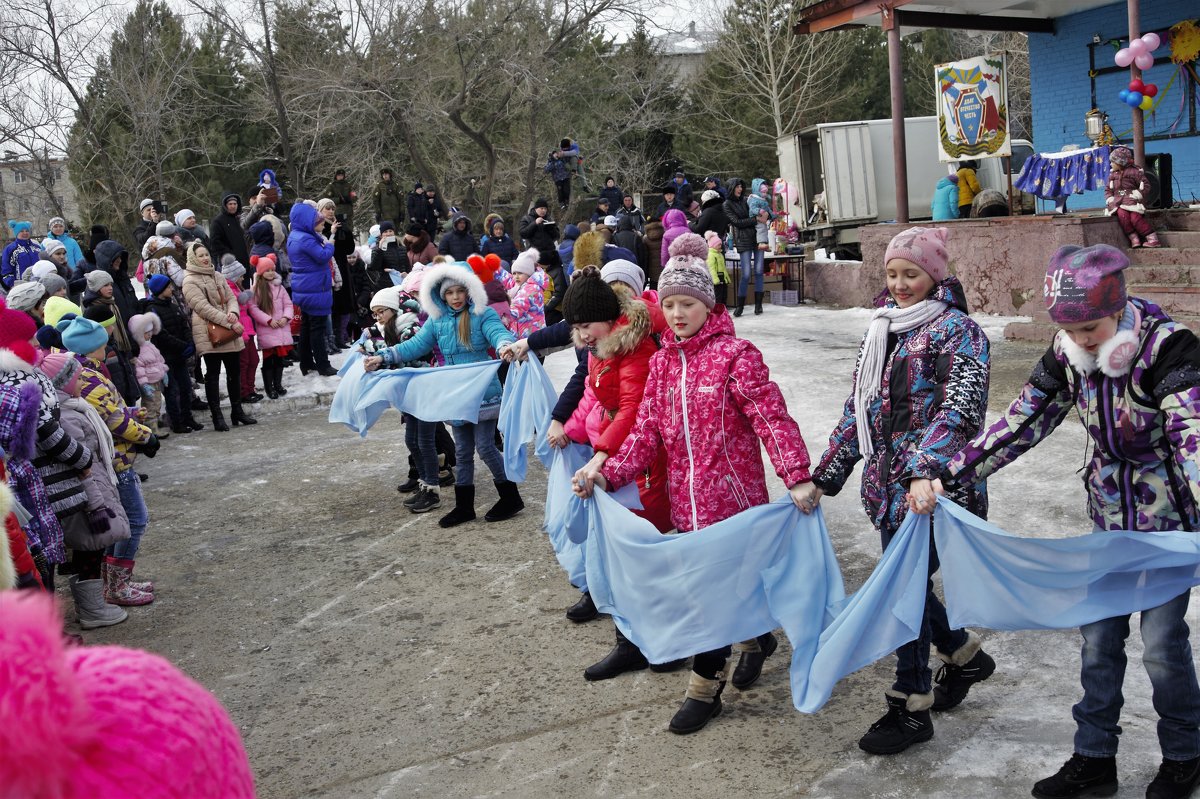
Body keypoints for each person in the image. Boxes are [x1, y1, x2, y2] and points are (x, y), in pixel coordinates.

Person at [946, 243, 1200, 799]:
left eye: (1093, 326)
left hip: (1168, 532)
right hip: (1109, 523)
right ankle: (1094, 757)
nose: (1084, 340)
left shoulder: (1169, 348)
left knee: (1160, 646)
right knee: (1099, 640)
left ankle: (1184, 754)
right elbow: (1022, 420)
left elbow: (1193, 436)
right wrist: (952, 473)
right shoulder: (1068, 355)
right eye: (1071, 328)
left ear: (1120, 308)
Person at [572, 234, 814, 735]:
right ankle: (754, 638)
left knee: (716, 592)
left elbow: (772, 418)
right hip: (688, 505)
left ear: (708, 304)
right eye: (671, 304)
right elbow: (648, 433)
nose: (678, 314)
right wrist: (609, 472)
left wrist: (796, 476)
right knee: (716, 591)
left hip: (734, 503)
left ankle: (705, 689)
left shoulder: (735, 355)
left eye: (689, 303)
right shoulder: (662, 362)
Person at [804, 226, 994, 755]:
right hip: (887, 489)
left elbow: (960, 411)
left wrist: (923, 470)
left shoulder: (961, 333)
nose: (901, 284)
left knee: (902, 593)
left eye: (911, 273)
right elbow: (859, 410)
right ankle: (963, 655)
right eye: (892, 274)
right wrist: (827, 475)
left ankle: (910, 705)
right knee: (902, 586)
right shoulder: (882, 330)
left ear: (935, 274)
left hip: (933, 490)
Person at [554, 265, 682, 680]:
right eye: (576, 326)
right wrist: (570, 430)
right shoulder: (599, 348)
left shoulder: (636, 349)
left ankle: (664, 642)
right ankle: (633, 640)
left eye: (587, 324)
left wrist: (601, 456)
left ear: (610, 319)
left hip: (645, 463)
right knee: (621, 553)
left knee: (646, 553)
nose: (583, 334)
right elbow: (595, 397)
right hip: (616, 457)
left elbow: (632, 409)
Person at [363, 262, 524, 529]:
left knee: (485, 446)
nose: (456, 297)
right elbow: (415, 345)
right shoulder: (437, 321)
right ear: (441, 295)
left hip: (483, 390)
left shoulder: (483, 314)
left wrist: (505, 345)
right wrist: (383, 356)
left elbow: (499, 333)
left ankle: (510, 497)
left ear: (470, 290)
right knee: (461, 451)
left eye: (461, 291)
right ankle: (464, 507)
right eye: (450, 293)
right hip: (454, 392)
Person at [60, 316, 159, 605]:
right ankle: (116, 586)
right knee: (135, 521)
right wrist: (146, 436)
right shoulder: (87, 376)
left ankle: (115, 582)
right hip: (116, 460)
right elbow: (110, 419)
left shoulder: (87, 372)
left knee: (128, 520)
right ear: (94, 348)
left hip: (116, 456)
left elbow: (110, 410)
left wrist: (129, 413)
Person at [40, 352, 130, 627]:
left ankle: (92, 605)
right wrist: (95, 505)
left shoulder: (74, 407)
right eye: (77, 378)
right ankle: (92, 610)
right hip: (84, 493)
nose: (82, 381)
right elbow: (81, 463)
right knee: (91, 546)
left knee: (91, 548)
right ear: (63, 383)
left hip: (93, 486)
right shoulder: (65, 414)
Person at [358, 286, 444, 513]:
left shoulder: (412, 328)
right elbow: (388, 352)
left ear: (394, 309)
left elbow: (409, 356)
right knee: (412, 440)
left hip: (424, 391)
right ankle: (425, 483)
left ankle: (433, 489)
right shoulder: (389, 330)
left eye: (381, 312)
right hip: (408, 394)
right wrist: (369, 347)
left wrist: (379, 355)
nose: (377, 318)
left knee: (425, 441)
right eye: (374, 314)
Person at [181, 242, 255, 430]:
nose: (205, 258)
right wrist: (229, 321)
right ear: (192, 258)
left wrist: (234, 313)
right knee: (212, 375)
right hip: (208, 332)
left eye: (206, 254)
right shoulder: (189, 281)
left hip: (229, 328)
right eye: (201, 256)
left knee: (234, 372)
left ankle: (237, 411)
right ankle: (217, 416)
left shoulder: (218, 275)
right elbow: (203, 309)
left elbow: (231, 298)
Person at [141, 274, 202, 433]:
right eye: (168, 287)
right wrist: (182, 346)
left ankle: (187, 418)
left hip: (180, 356)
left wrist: (190, 343)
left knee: (186, 387)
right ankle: (176, 422)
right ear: (160, 289)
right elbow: (161, 334)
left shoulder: (173, 306)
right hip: (166, 358)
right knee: (172, 390)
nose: (172, 289)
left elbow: (184, 325)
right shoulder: (152, 309)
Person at [286, 202, 338, 378]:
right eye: (318, 220)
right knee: (317, 328)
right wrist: (330, 242)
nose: (322, 223)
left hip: (305, 287)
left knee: (307, 326)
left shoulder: (295, 235)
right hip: (315, 287)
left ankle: (306, 362)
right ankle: (324, 365)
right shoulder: (306, 238)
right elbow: (323, 256)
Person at [247, 253, 293, 400]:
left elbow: (288, 304)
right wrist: (268, 320)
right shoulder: (257, 289)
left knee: (279, 359)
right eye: (267, 270)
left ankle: (278, 384)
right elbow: (253, 308)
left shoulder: (279, 287)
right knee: (269, 359)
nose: (271, 272)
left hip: (281, 327)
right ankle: (269, 387)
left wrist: (286, 317)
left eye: (272, 269)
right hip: (268, 329)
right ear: (260, 272)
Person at [220, 256, 262, 405]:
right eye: (241, 275)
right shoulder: (228, 290)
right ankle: (244, 392)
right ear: (234, 276)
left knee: (254, 360)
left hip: (247, 330)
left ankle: (250, 389)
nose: (243, 277)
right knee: (244, 362)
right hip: (240, 332)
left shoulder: (238, 287)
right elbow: (233, 313)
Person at [1105, 145, 1162, 249]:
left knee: (1135, 219)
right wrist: (1110, 198)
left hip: (1133, 202)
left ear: (1120, 162)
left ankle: (1152, 238)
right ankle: (1134, 238)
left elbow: (1146, 185)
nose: (1111, 164)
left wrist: (1138, 195)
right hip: (1119, 203)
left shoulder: (1135, 172)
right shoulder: (1112, 175)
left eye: (1113, 162)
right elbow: (1108, 189)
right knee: (1123, 217)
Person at [128, 314, 169, 437]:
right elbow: (139, 370)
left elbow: (159, 360)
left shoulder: (150, 346)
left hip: (157, 381)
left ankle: (155, 423)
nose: (150, 334)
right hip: (149, 383)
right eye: (146, 332)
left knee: (157, 404)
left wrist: (164, 371)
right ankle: (151, 428)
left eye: (151, 331)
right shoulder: (138, 351)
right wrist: (144, 384)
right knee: (150, 406)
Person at [724, 179, 760, 318]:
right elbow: (736, 222)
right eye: (737, 186)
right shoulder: (727, 204)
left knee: (758, 271)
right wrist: (754, 220)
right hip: (742, 240)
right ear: (731, 188)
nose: (739, 189)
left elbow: (757, 210)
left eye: (741, 186)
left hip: (757, 238)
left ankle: (758, 305)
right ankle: (740, 306)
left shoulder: (747, 199)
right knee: (745, 274)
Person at [506, 249, 547, 338]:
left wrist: (500, 314)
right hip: (521, 334)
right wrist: (492, 267)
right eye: (514, 273)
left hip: (531, 337)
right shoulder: (520, 284)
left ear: (528, 273)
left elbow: (516, 309)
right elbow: (507, 279)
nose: (516, 277)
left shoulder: (532, 288)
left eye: (520, 273)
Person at [208, 192, 251, 268]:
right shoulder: (218, 221)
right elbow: (215, 242)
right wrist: (230, 253)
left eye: (235, 204)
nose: (233, 206)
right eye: (230, 204)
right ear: (225, 205)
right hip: (230, 263)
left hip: (245, 261)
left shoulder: (239, 219)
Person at [3, 220, 40, 290]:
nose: (25, 233)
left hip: (38, 284)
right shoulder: (10, 249)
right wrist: (12, 284)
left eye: (27, 231)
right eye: (22, 231)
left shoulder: (36, 248)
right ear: (16, 233)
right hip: (20, 286)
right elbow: (6, 269)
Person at [704, 231, 731, 307]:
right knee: (718, 298)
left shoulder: (719, 254)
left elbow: (723, 269)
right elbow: (711, 268)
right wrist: (715, 280)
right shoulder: (711, 255)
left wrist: (726, 278)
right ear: (713, 245)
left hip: (722, 280)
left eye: (720, 244)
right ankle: (717, 313)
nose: (720, 246)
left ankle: (723, 311)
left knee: (724, 297)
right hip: (716, 282)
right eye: (718, 245)